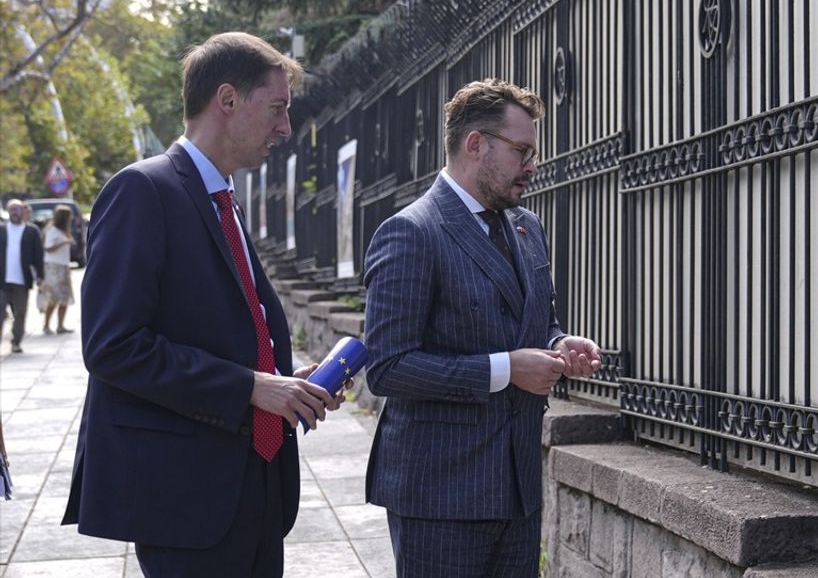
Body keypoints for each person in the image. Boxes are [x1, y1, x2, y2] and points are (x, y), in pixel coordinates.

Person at [62, 32, 343, 578]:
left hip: (256, 482)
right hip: (186, 496)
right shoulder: (142, 190)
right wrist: (251, 387)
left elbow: (218, 328)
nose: (285, 128)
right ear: (229, 100)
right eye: (278, 109)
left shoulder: (223, 197)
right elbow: (112, 347)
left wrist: (284, 380)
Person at [363, 78, 602, 577]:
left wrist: (560, 344)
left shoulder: (525, 226)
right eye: (522, 151)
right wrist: (506, 369)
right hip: (440, 496)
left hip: (517, 491)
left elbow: (538, 323)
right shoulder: (412, 231)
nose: (532, 166)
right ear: (476, 145)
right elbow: (387, 367)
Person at [2, 199, 44, 354]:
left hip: (22, 280)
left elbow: (38, 255)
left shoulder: (31, 231)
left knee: (20, 312)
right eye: (12, 209)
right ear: (8, 211)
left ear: (23, 211)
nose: (14, 212)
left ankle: (16, 341)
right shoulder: (2, 230)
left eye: (17, 209)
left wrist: (40, 275)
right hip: (2, 280)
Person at [40, 205, 76, 334]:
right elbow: (48, 248)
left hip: (64, 266)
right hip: (53, 267)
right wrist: (64, 243)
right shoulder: (52, 231)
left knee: (64, 297)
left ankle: (61, 325)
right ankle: (46, 325)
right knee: (53, 297)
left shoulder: (64, 231)